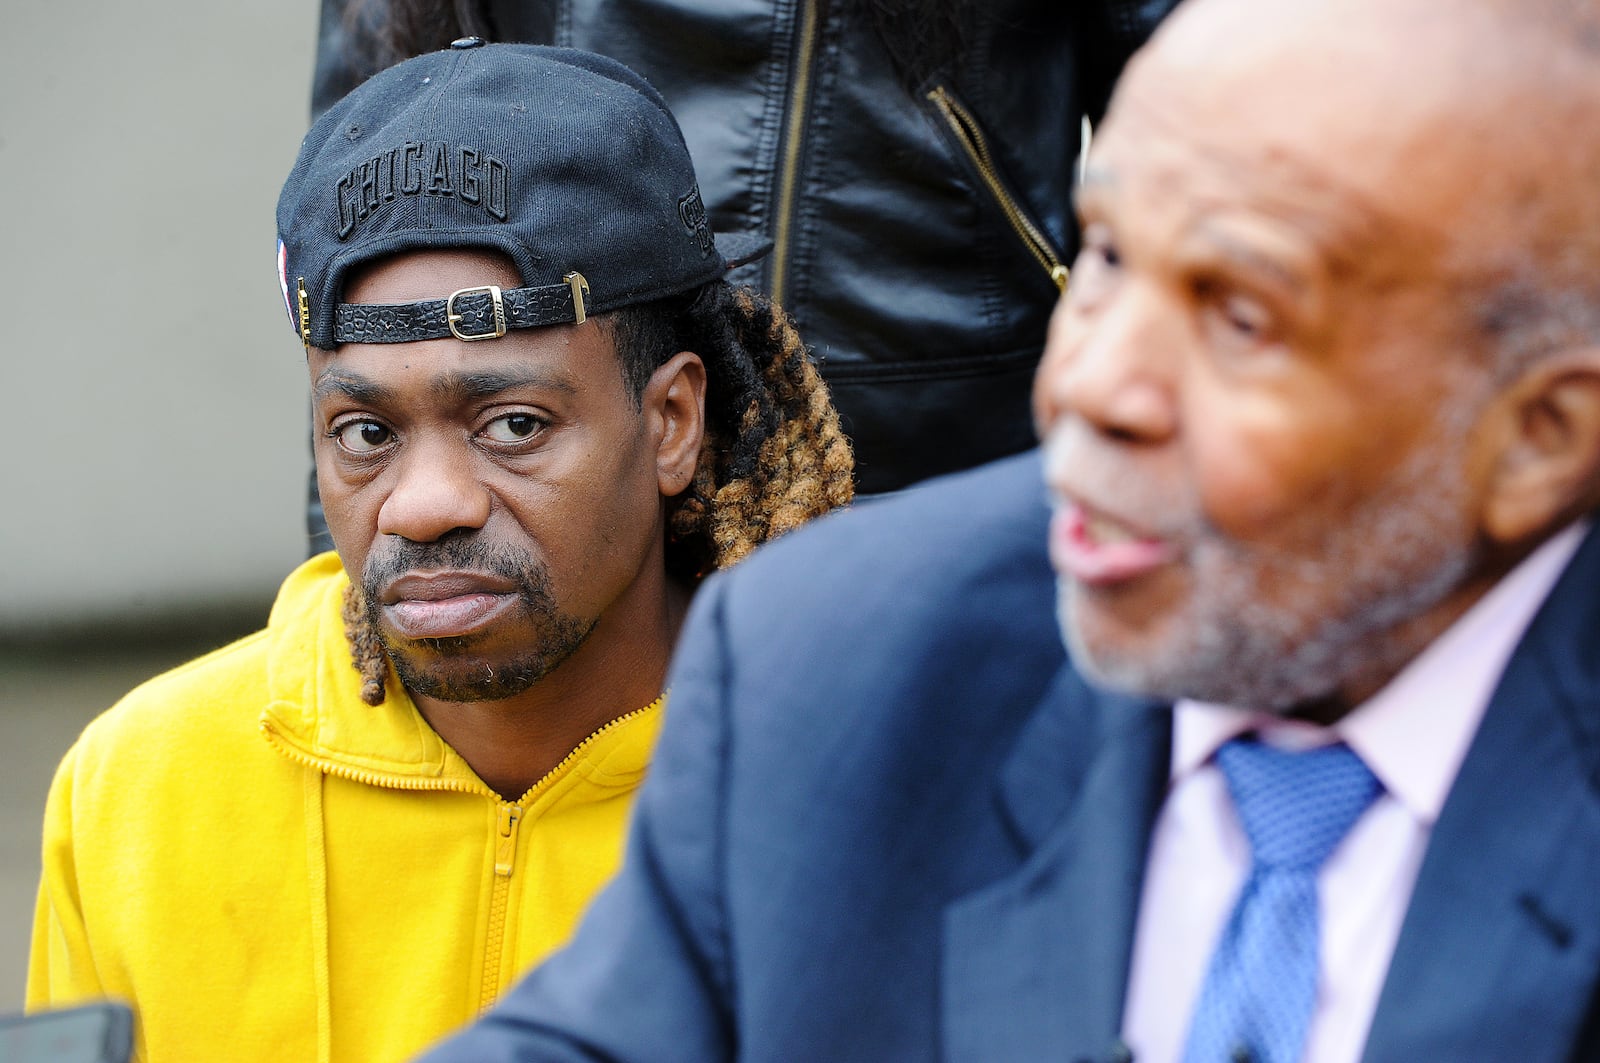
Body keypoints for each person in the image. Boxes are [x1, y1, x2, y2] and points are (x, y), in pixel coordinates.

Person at [415, 0, 1600, 1059]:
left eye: (1241, 317)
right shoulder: (835, 667)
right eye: (1108, 259)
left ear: (1542, 437)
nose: (1091, 382)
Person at [26, 42, 851, 1063]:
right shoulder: (143, 790)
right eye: (366, 434)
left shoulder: (848, 791)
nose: (421, 506)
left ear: (672, 420)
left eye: (513, 424)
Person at [299, 0, 1177, 529]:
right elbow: (360, 213)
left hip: (958, 447)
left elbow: (1214, 129)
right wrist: (347, 560)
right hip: (554, 465)